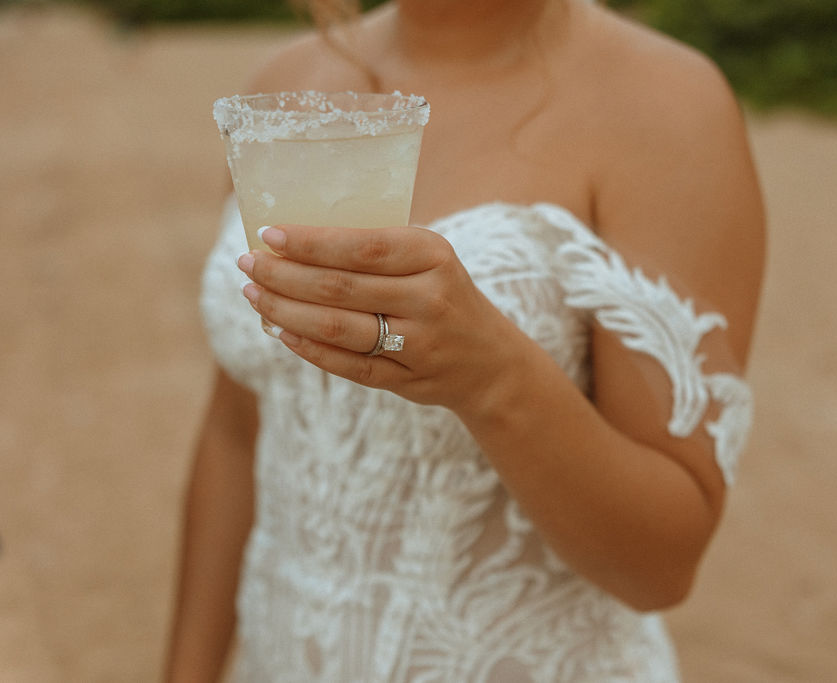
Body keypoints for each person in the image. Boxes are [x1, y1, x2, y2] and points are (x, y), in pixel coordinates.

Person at [164, 0, 765, 680]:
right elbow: (239, 431)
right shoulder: (283, 85)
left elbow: (661, 566)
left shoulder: (666, 105)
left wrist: (496, 379)